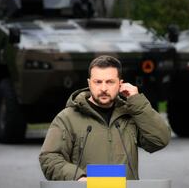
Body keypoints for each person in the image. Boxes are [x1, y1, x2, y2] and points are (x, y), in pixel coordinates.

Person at [39, 55, 171, 181]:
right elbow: (49, 158)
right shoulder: (67, 118)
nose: (103, 88)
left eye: (110, 82)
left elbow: (160, 140)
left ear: (120, 84)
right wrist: (78, 178)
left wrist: (137, 102)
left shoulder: (131, 114)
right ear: (89, 83)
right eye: (98, 82)